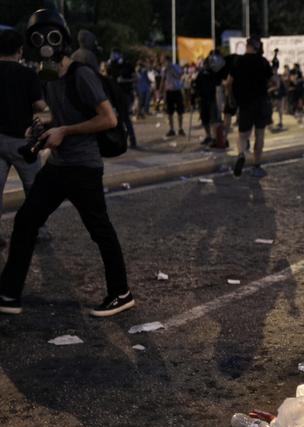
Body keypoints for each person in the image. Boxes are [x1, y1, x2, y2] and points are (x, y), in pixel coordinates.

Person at [0, 9, 134, 317]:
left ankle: (121, 292)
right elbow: (56, 116)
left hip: (84, 167)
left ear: (63, 38)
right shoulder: (47, 75)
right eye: (38, 38)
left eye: (51, 36)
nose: (45, 44)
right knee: (26, 221)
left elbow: (108, 118)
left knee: (100, 230)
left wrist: (65, 131)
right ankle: (8, 293)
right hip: (58, 167)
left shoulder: (81, 74)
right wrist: (41, 127)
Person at [0, 28, 48, 249]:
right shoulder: (28, 74)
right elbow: (40, 106)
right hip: (22, 140)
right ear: (20, 50)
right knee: (34, 188)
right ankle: (38, 230)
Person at [228, 37, 273, 177]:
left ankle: (241, 154)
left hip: (245, 103)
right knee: (260, 134)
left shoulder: (238, 61)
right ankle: (256, 165)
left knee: (242, 135)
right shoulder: (263, 61)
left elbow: (229, 82)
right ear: (257, 47)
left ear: (247, 46)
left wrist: (231, 97)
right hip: (262, 101)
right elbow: (271, 80)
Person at [159, 55, 185, 137]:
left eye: (166, 61)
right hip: (169, 91)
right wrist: (160, 91)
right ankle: (171, 129)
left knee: (180, 111)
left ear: (169, 61)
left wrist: (172, 70)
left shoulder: (176, 67)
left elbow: (180, 76)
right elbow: (163, 80)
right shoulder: (164, 69)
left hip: (177, 91)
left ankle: (180, 128)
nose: (165, 63)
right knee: (169, 112)